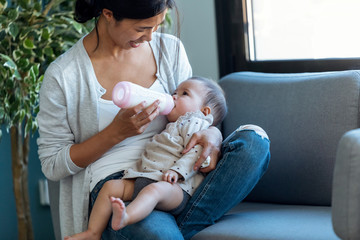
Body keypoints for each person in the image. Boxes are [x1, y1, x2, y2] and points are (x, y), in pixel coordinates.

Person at [36, 0, 270, 239]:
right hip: (124, 184)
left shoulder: (170, 51)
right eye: (141, 29)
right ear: (108, 14)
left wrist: (213, 135)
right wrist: (115, 133)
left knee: (254, 143)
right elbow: (53, 164)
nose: (150, 38)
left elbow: (196, 113)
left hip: (179, 176)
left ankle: (173, 226)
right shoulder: (64, 75)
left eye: (156, 27)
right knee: (158, 234)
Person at [65, 77, 228, 240]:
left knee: (154, 191)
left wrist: (177, 172)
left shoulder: (194, 123)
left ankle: (127, 216)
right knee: (110, 187)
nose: (173, 97)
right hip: (146, 178)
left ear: (204, 111)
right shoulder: (173, 124)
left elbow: (197, 152)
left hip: (176, 187)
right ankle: (93, 232)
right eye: (174, 92)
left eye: (184, 94)